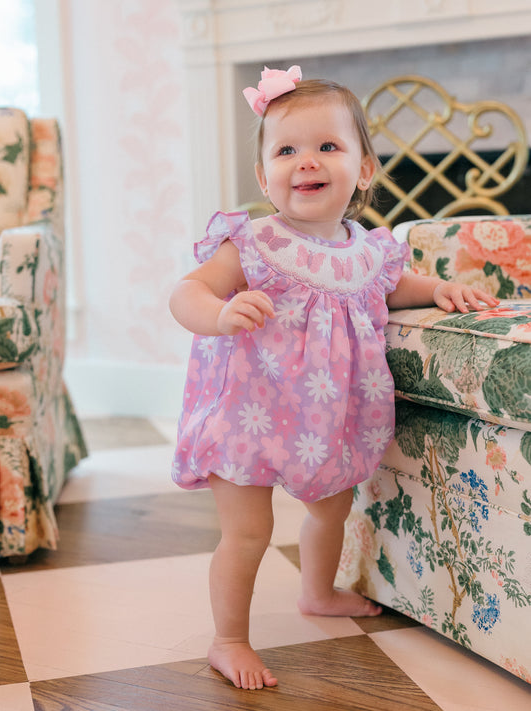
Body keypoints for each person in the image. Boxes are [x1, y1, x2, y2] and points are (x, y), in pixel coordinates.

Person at [169, 66, 499, 691]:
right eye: (287, 150)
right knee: (248, 533)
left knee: (332, 509)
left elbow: (396, 288)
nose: (306, 162)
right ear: (265, 176)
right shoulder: (253, 241)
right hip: (248, 414)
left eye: (327, 146)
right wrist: (218, 313)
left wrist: (441, 288)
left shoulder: (368, 249)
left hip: (325, 421)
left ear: (365, 169)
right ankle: (229, 639)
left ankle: (317, 591)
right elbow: (186, 294)